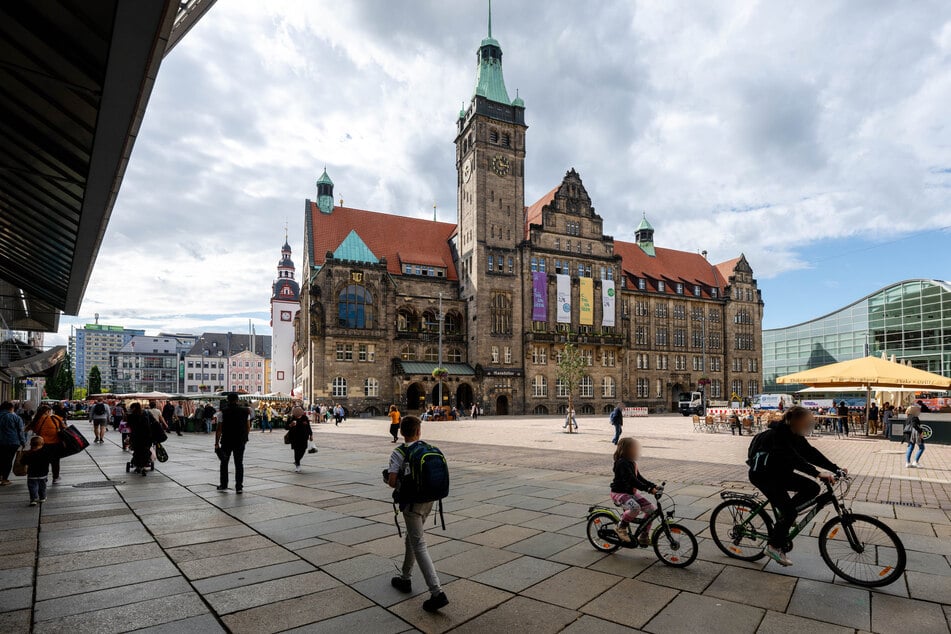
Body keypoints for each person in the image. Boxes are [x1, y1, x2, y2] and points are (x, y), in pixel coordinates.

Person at [747, 406, 844, 566]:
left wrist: (835, 468)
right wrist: (817, 473)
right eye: (806, 422)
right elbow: (791, 458)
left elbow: (810, 453)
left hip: (779, 473)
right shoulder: (778, 435)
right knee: (790, 512)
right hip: (764, 476)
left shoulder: (794, 434)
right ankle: (773, 546)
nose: (809, 426)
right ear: (796, 421)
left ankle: (785, 517)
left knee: (813, 488)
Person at [386, 415, 449, 613]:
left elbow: (392, 481)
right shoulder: (429, 449)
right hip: (430, 500)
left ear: (402, 432)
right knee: (412, 539)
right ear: (419, 431)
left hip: (412, 503)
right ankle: (405, 578)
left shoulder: (398, 452)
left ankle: (437, 592)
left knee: (419, 544)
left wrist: (388, 478)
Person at [610, 437, 657, 546]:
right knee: (635, 508)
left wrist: (653, 486)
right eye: (634, 448)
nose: (637, 450)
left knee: (652, 510)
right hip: (619, 493)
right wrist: (649, 489)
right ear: (626, 449)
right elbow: (631, 480)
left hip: (631, 493)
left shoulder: (632, 462)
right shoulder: (621, 463)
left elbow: (639, 478)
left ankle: (644, 536)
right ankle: (621, 527)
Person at [216, 393, 251, 493]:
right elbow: (248, 427)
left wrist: (216, 443)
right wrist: (244, 438)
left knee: (224, 462)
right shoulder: (245, 411)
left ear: (227, 400)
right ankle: (239, 487)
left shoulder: (222, 412)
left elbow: (219, 430)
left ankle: (223, 484)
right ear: (238, 400)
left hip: (226, 440)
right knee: (239, 463)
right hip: (240, 441)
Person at [29, 405, 63, 483]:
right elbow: (63, 427)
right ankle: (55, 477)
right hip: (55, 444)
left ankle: (44, 476)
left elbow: (35, 431)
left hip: (42, 444)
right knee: (55, 462)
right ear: (47, 411)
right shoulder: (55, 418)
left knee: (44, 461)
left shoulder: (37, 420)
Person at [0, 401, 27, 485]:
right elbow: (21, 431)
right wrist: (23, 442)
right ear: (11, 408)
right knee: (8, 460)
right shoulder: (16, 417)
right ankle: (4, 479)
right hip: (12, 442)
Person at [20, 436, 51, 506]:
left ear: (31, 444)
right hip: (43, 474)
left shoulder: (28, 453)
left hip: (32, 474)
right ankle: (42, 497)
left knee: (32, 487)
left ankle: (33, 499)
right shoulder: (45, 452)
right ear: (42, 444)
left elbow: (22, 462)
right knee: (42, 486)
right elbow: (50, 459)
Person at [126, 403, 154, 476]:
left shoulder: (131, 416)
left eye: (131, 408)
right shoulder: (146, 414)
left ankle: (138, 465)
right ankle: (143, 466)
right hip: (146, 437)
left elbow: (128, 424)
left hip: (136, 437)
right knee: (145, 450)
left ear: (134, 408)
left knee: (137, 451)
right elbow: (151, 424)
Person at [287, 406, 313, 473]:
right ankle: (298, 465)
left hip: (304, 437)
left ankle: (297, 461)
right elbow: (286, 427)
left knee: (303, 450)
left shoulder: (305, 418)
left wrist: (311, 435)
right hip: (294, 437)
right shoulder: (291, 418)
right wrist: (290, 425)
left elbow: (308, 427)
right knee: (296, 451)